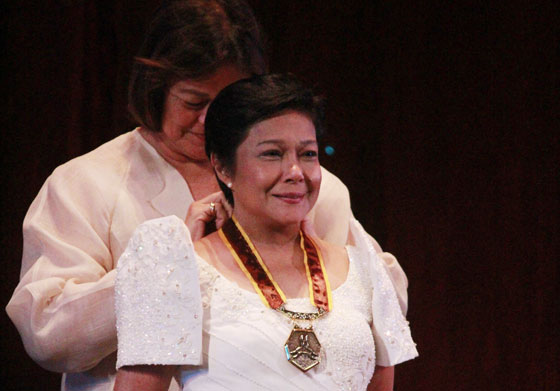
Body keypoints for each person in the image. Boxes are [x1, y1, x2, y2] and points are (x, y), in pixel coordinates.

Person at [6, 1, 408, 390]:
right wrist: (164, 270)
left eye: (229, 102)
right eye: (195, 102)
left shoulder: (308, 187)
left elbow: (384, 306)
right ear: (156, 88)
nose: (212, 120)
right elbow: (47, 333)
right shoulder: (87, 183)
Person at [113, 73, 418, 391]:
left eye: (308, 154)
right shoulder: (175, 266)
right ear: (222, 167)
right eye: (272, 154)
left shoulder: (364, 267)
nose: (295, 172)